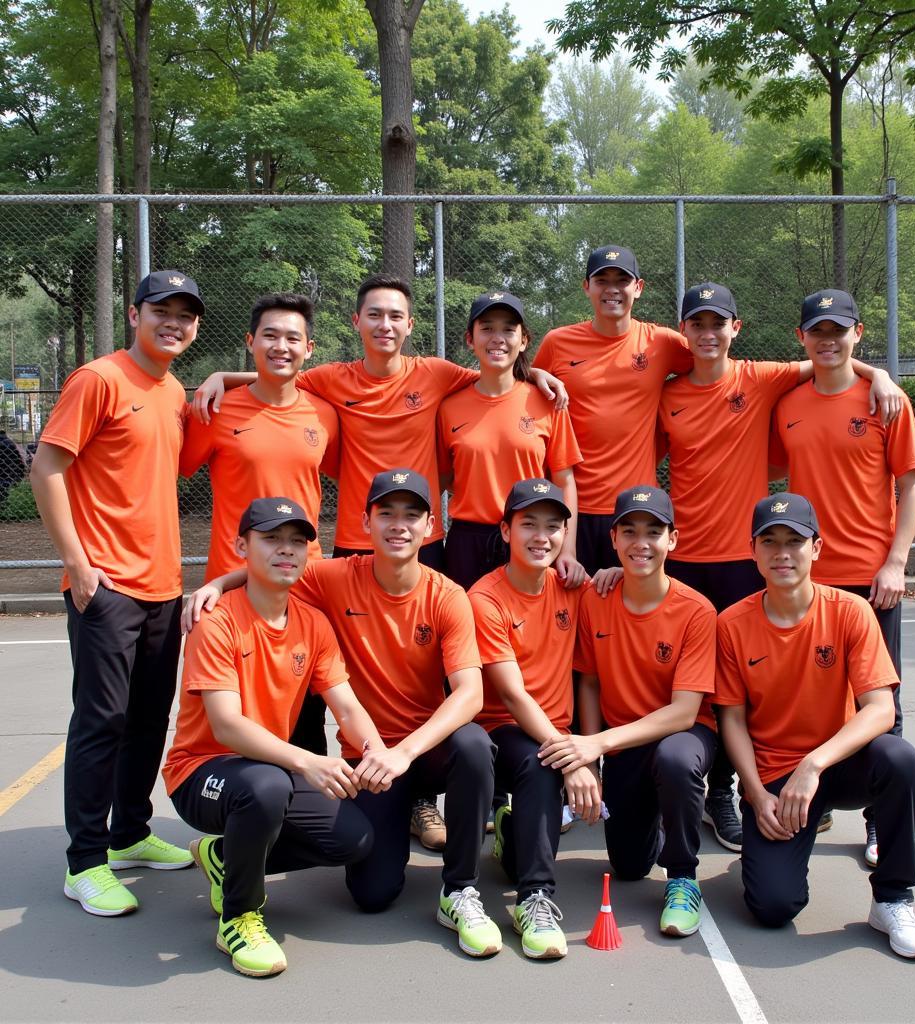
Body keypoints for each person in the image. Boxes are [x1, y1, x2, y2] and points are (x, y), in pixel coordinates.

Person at [192, 275, 566, 850]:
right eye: (375, 315)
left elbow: (497, 373)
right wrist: (225, 376)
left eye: (396, 316)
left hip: (425, 542)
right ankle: (316, 790)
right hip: (350, 548)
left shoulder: (439, 374)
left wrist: (535, 373)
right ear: (356, 323)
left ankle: (425, 796)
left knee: (436, 670)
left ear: (410, 326)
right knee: (326, 677)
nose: (385, 325)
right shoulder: (330, 380)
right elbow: (279, 371)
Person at [185, 469, 504, 958]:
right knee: (371, 889)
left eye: (411, 515)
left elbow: (469, 696)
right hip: (256, 765)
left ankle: (460, 889)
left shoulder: (446, 596)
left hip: (412, 751)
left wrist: (395, 751)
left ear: (430, 526)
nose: (399, 525)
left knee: (475, 743)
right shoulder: (320, 584)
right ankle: (232, 874)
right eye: (387, 514)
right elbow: (270, 570)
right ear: (365, 522)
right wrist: (217, 584)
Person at [659, 282, 902, 852]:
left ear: (735, 329)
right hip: (686, 559)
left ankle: (735, 792)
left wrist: (880, 376)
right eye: (697, 323)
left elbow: (830, 354)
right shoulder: (666, 394)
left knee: (747, 690)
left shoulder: (762, 378)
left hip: (748, 559)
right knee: (691, 686)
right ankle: (679, 788)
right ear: (684, 332)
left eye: (718, 322)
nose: (708, 332)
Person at [31, 270, 204, 916]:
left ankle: (130, 832)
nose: (175, 323)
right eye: (163, 310)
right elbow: (47, 466)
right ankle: (84, 861)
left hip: (162, 585)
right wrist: (77, 562)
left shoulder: (173, 389)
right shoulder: (99, 380)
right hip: (106, 585)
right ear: (134, 314)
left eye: (186, 316)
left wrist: (223, 380)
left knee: (147, 720)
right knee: (100, 721)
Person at [163, 498, 379, 977]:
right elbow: (226, 725)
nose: (287, 550)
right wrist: (308, 761)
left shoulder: (313, 623)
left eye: (297, 541)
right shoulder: (216, 620)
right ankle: (239, 916)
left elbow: (346, 705)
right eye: (272, 539)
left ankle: (224, 856)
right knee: (267, 786)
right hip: (201, 772)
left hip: (267, 769)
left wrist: (375, 751)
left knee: (356, 839)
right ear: (241, 545)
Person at [715, 493, 915, 959]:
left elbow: (880, 709)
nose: (782, 553)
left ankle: (893, 898)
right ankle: (770, 853)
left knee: (901, 759)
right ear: (752, 551)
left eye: (794, 540)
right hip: (775, 779)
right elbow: (731, 718)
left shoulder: (850, 611)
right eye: (769, 541)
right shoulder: (732, 624)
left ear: (816, 547)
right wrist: (754, 794)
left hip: (838, 763)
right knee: (773, 907)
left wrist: (813, 764)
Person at [771, 289, 915, 864]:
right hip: (803, 577)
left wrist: (896, 562)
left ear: (857, 334)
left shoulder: (887, 401)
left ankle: (882, 822)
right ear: (802, 338)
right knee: (813, 694)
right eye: (818, 331)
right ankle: (819, 791)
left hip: (869, 575)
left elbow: (911, 484)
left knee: (882, 702)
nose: (828, 340)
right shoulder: (787, 403)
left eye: (839, 331)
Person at [538, 486, 718, 938]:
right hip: (623, 746)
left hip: (681, 737)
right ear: (613, 539)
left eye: (654, 532)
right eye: (630, 532)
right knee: (630, 866)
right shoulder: (595, 600)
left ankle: (682, 876)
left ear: (672, 539)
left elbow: (683, 712)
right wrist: (595, 764)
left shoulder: (697, 611)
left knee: (676, 762)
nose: (642, 542)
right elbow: (590, 682)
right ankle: (656, 816)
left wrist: (595, 744)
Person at [179, 292, 340, 756]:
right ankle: (239, 809)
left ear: (309, 349)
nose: (281, 346)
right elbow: (175, 470)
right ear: (251, 341)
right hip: (231, 583)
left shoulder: (323, 413)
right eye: (270, 335)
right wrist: (219, 381)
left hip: (303, 579)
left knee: (305, 703)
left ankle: (306, 810)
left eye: (293, 338)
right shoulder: (215, 409)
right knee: (235, 708)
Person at [468, 479, 593, 959]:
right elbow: (513, 696)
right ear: (505, 530)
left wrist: (603, 577)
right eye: (528, 525)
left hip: (552, 731)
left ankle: (514, 838)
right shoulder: (485, 598)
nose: (542, 536)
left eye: (553, 527)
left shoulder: (572, 587)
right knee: (545, 760)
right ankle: (534, 898)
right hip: (502, 731)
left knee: (546, 762)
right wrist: (573, 758)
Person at [531, 246, 694, 574]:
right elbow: (517, 384)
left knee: (631, 612)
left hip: (636, 510)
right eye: (602, 280)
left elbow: (712, 365)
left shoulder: (661, 342)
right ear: (586, 287)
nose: (612, 289)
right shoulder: (557, 342)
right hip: (571, 509)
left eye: (622, 280)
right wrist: (534, 373)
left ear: (639, 287)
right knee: (573, 615)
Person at [438, 291, 584, 591]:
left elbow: (565, 480)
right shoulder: (449, 406)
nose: (497, 337)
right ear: (470, 338)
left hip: (531, 537)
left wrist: (567, 549)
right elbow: (444, 478)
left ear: (524, 340)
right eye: (487, 328)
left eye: (508, 329)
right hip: (468, 542)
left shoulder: (547, 401)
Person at [0, 429, 26, 507]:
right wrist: (21, 470)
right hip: (11, 470)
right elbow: (19, 458)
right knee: (6, 486)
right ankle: (5, 504)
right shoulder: (10, 443)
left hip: (2, 469)